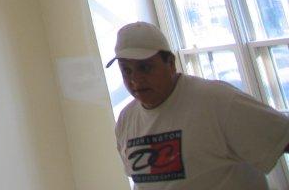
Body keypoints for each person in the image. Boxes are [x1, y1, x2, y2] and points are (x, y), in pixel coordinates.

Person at [108, 21, 289, 188]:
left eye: (145, 68)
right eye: (126, 70)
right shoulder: (126, 119)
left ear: (170, 64)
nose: (135, 80)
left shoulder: (217, 101)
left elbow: (283, 138)